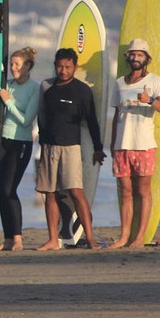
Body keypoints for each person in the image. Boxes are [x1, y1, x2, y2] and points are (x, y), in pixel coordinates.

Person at [35, 48, 105, 251]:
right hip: (49, 147)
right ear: (55, 65)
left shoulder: (82, 90)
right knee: (50, 193)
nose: (63, 71)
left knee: (76, 192)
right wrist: (42, 142)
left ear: (75, 67)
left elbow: (91, 121)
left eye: (67, 67)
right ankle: (52, 239)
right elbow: (42, 116)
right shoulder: (47, 86)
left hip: (71, 147)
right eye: (59, 66)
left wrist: (98, 148)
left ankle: (90, 238)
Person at [109, 39, 160, 249]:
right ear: (128, 57)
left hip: (144, 144)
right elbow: (117, 115)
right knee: (125, 191)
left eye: (140, 55)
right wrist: (112, 143)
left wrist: (149, 100)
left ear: (147, 58)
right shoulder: (119, 83)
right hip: (121, 144)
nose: (135, 58)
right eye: (132, 54)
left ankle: (140, 237)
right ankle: (124, 237)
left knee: (143, 191)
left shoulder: (155, 81)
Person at [0, 47, 41, 251]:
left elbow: (25, 120)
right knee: (0, 189)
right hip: (2, 141)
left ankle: (18, 238)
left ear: (28, 66)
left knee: (9, 188)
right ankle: (7, 239)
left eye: (17, 64)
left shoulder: (35, 89)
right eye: (11, 64)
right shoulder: (7, 85)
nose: (13, 68)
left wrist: (8, 101)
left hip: (20, 143)